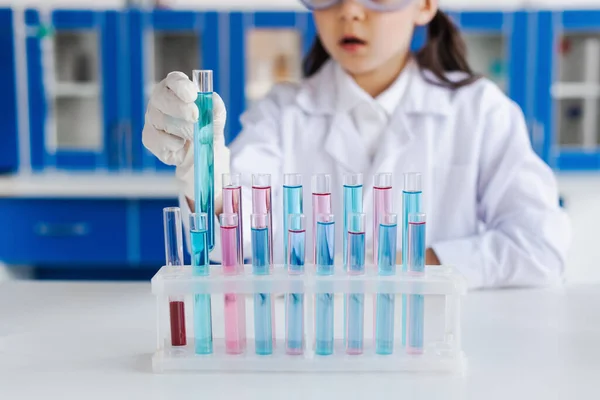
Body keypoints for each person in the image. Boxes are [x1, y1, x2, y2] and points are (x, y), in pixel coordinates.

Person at [142, 0, 571, 289]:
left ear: (424, 5)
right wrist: (208, 177)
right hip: (312, 351)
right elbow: (235, 246)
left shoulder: (480, 112)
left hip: (439, 350)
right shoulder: (282, 113)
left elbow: (541, 246)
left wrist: (410, 263)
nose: (349, 11)